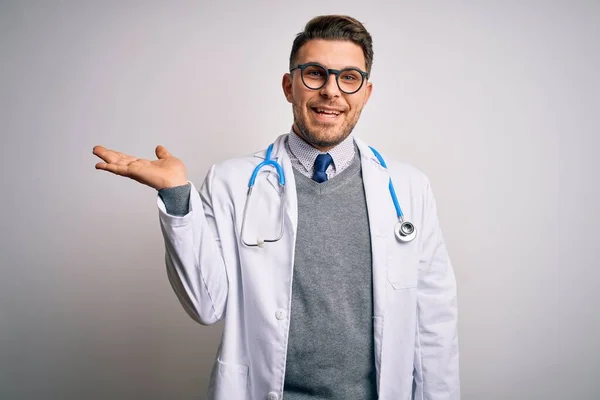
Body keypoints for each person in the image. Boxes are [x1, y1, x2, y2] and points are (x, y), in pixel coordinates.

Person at [93, 14, 460, 400]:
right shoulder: (231, 182)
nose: (332, 91)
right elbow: (204, 304)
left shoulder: (408, 188)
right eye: (315, 73)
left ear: (366, 93)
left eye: (349, 77)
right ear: (290, 86)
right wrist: (175, 195)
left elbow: (434, 324)